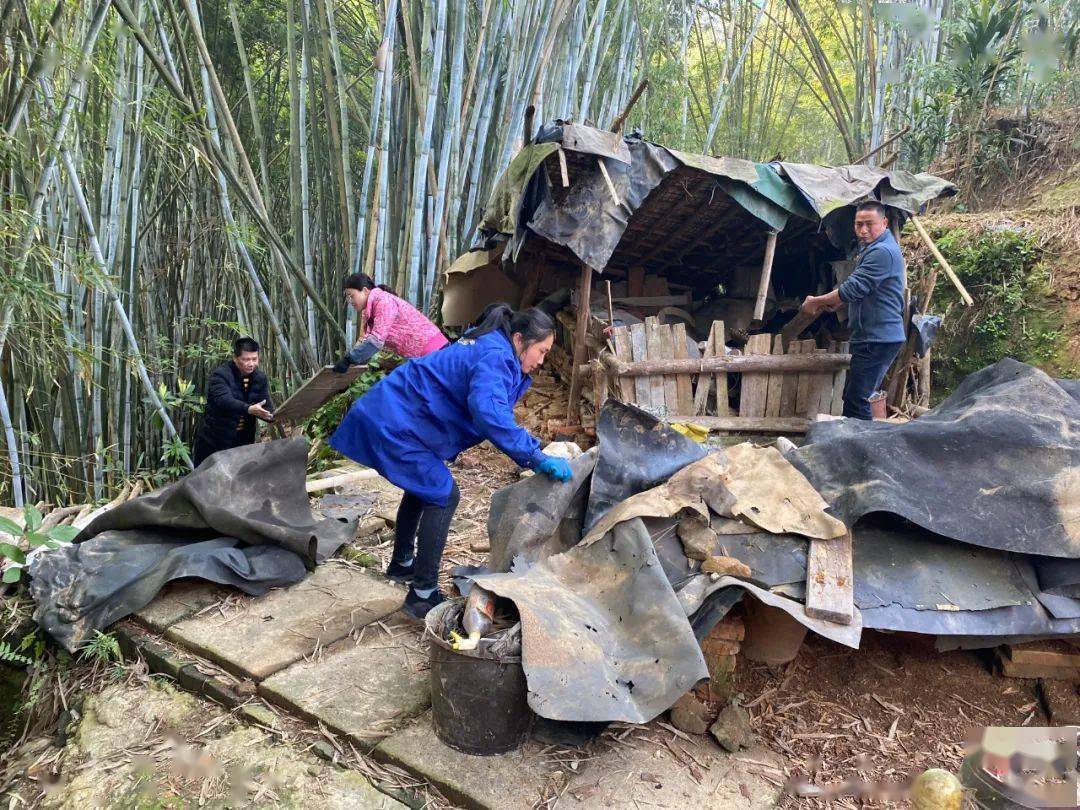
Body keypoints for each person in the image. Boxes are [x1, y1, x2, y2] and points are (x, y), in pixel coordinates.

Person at [328, 304, 573, 620]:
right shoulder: (495, 356)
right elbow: (489, 415)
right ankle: (422, 595)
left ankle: (402, 563)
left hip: (402, 418)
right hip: (395, 421)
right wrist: (535, 455)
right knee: (444, 494)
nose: (541, 361)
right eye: (541, 351)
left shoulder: (495, 348)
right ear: (519, 339)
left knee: (425, 488)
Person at [800, 201, 907, 420]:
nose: (863, 230)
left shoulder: (882, 252)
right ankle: (859, 445)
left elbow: (853, 287)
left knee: (857, 400)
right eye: (859, 225)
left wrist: (815, 301)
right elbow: (865, 290)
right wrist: (842, 302)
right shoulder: (873, 248)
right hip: (873, 336)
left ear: (884, 223)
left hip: (877, 337)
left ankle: (859, 448)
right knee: (856, 396)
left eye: (870, 224)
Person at [332, 273, 449, 372]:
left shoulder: (383, 301)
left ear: (365, 291)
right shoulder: (370, 310)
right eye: (348, 298)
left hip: (433, 352)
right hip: (421, 355)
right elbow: (368, 342)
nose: (350, 301)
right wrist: (350, 361)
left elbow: (376, 341)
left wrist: (348, 359)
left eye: (351, 296)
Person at [192, 337, 274, 467]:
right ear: (235, 358)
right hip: (216, 440)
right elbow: (224, 400)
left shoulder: (259, 378)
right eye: (246, 359)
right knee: (210, 480)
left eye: (254, 359)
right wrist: (249, 409)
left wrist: (273, 415)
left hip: (243, 439)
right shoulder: (220, 375)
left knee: (240, 479)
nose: (251, 364)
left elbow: (265, 404)